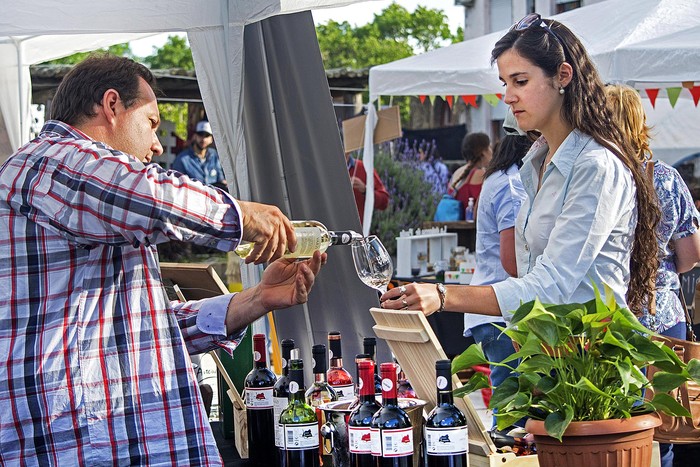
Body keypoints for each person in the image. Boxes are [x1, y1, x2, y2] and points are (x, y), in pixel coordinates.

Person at [0, 54, 327, 466]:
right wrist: (245, 217)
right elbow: (154, 197)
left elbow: (139, 330)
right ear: (112, 105)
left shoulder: (89, 199)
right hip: (85, 445)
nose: (157, 144)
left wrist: (256, 299)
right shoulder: (53, 163)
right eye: (152, 123)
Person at [380, 14, 659, 337]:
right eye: (505, 83)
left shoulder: (595, 165)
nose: (508, 96)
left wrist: (444, 294)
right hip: (550, 357)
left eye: (520, 81)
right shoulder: (538, 160)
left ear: (563, 76)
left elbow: (552, 285)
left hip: (591, 366)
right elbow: (530, 272)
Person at [606, 83, 700, 467]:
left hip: (610, 312)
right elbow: (691, 254)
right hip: (663, 315)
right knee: (663, 422)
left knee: (617, 420)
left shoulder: (596, 176)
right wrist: (662, 271)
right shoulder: (666, 177)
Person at [466, 114, 532, 428]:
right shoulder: (510, 184)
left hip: (493, 305)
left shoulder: (500, 178)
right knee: (511, 412)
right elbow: (513, 261)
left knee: (508, 404)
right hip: (501, 307)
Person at [172, 119, 228, 190]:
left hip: (213, 198)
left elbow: (220, 179)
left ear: (211, 139)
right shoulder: (182, 159)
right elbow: (176, 185)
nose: (203, 139)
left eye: (207, 135)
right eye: (200, 134)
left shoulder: (215, 155)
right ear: (195, 136)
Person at [448, 132, 493, 213]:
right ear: (483, 152)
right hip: (471, 224)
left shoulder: (457, 172)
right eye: (490, 147)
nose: (492, 151)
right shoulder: (479, 174)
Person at [346, 150, 390, 224]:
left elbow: (384, 202)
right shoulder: (324, 170)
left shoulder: (363, 167)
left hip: (359, 232)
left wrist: (365, 190)